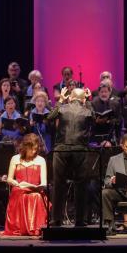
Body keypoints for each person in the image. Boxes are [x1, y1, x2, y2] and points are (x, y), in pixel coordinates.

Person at [46, 87, 95, 227]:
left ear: (70, 97)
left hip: (61, 150)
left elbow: (49, 117)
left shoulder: (62, 107)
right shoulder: (87, 110)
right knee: (81, 185)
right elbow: (94, 119)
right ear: (83, 99)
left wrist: (61, 100)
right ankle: (80, 220)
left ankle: (56, 220)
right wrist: (88, 101)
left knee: (58, 184)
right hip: (80, 150)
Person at [3, 133, 49, 236]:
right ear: (25, 147)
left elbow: (44, 182)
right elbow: (9, 179)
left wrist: (39, 187)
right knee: (22, 195)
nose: (34, 151)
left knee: (36, 196)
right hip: (19, 188)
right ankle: (21, 228)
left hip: (35, 190)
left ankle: (36, 228)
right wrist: (17, 183)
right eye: (31, 149)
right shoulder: (15, 158)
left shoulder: (41, 160)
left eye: (35, 149)